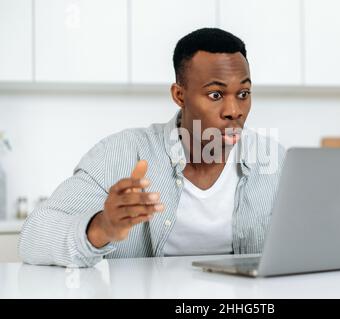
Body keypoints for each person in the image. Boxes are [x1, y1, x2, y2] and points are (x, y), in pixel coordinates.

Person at [19, 28, 285, 267]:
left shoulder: (274, 159)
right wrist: (102, 227)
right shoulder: (121, 153)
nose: (234, 111)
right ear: (179, 95)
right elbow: (33, 236)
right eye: (215, 95)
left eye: (243, 94)